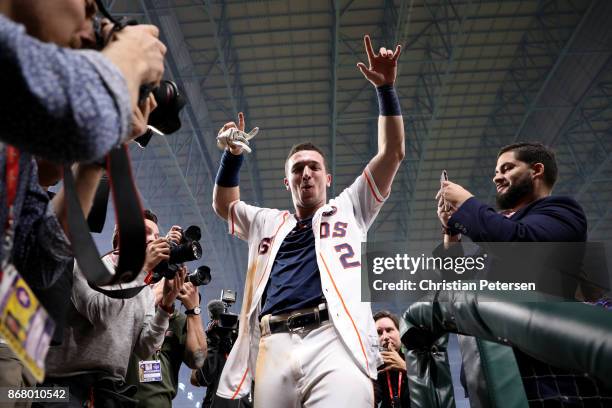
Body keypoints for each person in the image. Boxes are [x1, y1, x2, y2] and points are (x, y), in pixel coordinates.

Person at [212, 34, 405, 407]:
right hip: (272, 344)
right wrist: (233, 156)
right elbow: (224, 204)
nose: (306, 174)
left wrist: (386, 90)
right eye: (297, 169)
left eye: (314, 167)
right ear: (287, 181)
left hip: (334, 337)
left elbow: (392, 152)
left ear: (327, 178)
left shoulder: (350, 206)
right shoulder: (269, 221)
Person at [0, 0, 165, 399]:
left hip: (26, 356)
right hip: (58, 379)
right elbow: (83, 116)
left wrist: (96, 160)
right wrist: (128, 55)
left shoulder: (14, 142)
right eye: (87, 0)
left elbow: (41, 260)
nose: (91, 13)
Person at [436, 142, 599, 406]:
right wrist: (451, 234)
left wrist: (467, 203)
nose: (496, 176)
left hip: (542, 366)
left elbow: (519, 243)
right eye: (496, 170)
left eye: (507, 168)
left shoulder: (562, 211)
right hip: (488, 367)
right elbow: (459, 283)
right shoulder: (499, 229)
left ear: (536, 170)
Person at [39, 210, 181, 408]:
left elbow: (145, 347)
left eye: (157, 236)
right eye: (146, 232)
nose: (154, 240)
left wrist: (166, 306)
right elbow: (102, 315)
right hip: (63, 384)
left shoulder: (144, 290)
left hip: (109, 389)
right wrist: (142, 271)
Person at [125, 264, 207, 408]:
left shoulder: (178, 321)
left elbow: (197, 360)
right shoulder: (129, 305)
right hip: (119, 400)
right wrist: (156, 294)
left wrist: (194, 310)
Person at [374, 311, 410, 408]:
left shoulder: (415, 358)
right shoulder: (375, 367)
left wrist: (405, 367)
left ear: (400, 333)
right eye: (379, 333)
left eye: (389, 330)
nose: (385, 337)